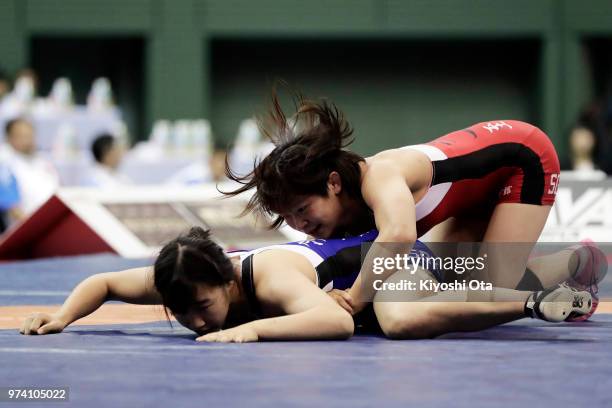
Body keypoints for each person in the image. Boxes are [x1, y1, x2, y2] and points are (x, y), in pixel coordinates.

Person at [222, 89, 605, 322]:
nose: (299, 223)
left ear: (333, 183)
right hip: (476, 184)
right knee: (457, 278)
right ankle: (573, 264)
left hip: (523, 158)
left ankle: (578, 261)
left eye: (303, 210)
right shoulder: (344, 205)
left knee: (492, 289)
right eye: (287, 217)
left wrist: (354, 299)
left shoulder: (379, 177)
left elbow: (401, 236)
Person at [20, 227, 592, 342]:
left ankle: (536, 305)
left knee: (401, 321)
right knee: (480, 273)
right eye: (183, 314)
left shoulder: (270, 278)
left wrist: (252, 333)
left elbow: (336, 319)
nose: (196, 322)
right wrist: (66, 315)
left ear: (224, 279)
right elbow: (103, 281)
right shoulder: (184, 275)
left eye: (200, 309)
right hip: (412, 264)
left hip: (384, 262)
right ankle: (576, 262)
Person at [0, 118, 59, 218]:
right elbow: (13, 208)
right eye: (21, 136)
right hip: (26, 227)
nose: (27, 140)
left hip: (53, 220)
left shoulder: (42, 161)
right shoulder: (5, 164)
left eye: (29, 135)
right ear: (9, 138)